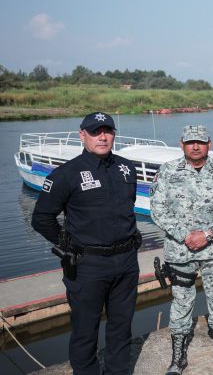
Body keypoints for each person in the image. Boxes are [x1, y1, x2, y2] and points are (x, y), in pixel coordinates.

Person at [31, 112, 141, 375]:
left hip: (126, 262)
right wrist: (68, 245)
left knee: (121, 326)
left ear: (114, 134)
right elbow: (42, 218)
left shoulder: (127, 167)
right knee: (85, 329)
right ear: (83, 135)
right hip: (87, 265)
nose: (102, 137)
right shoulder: (66, 174)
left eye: (107, 131)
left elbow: (128, 207)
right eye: (95, 132)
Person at [149, 125, 213, 375]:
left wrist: (207, 234)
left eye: (200, 141)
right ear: (182, 144)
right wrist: (185, 235)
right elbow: (158, 208)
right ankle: (178, 356)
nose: (196, 146)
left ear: (209, 144)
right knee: (181, 302)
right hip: (180, 251)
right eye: (190, 142)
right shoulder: (167, 171)